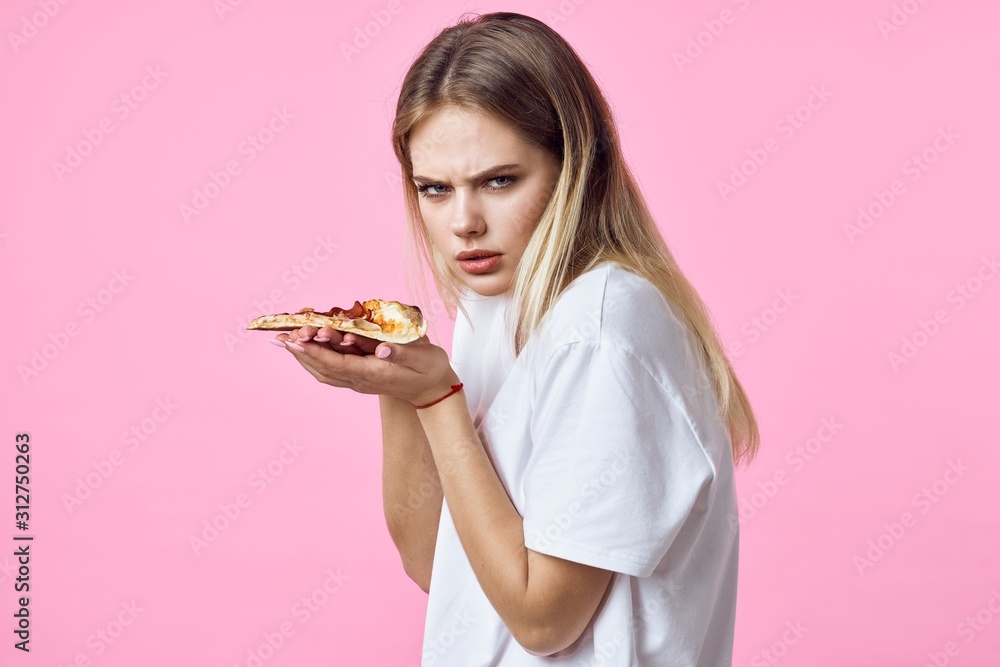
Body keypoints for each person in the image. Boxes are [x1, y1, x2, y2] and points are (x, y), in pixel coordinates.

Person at [269, 11, 760, 666]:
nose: (464, 222)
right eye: (434, 190)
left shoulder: (602, 328)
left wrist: (438, 397)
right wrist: (393, 376)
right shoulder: (495, 304)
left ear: (574, 167)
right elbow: (432, 560)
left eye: (498, 181)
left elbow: (544, 617)